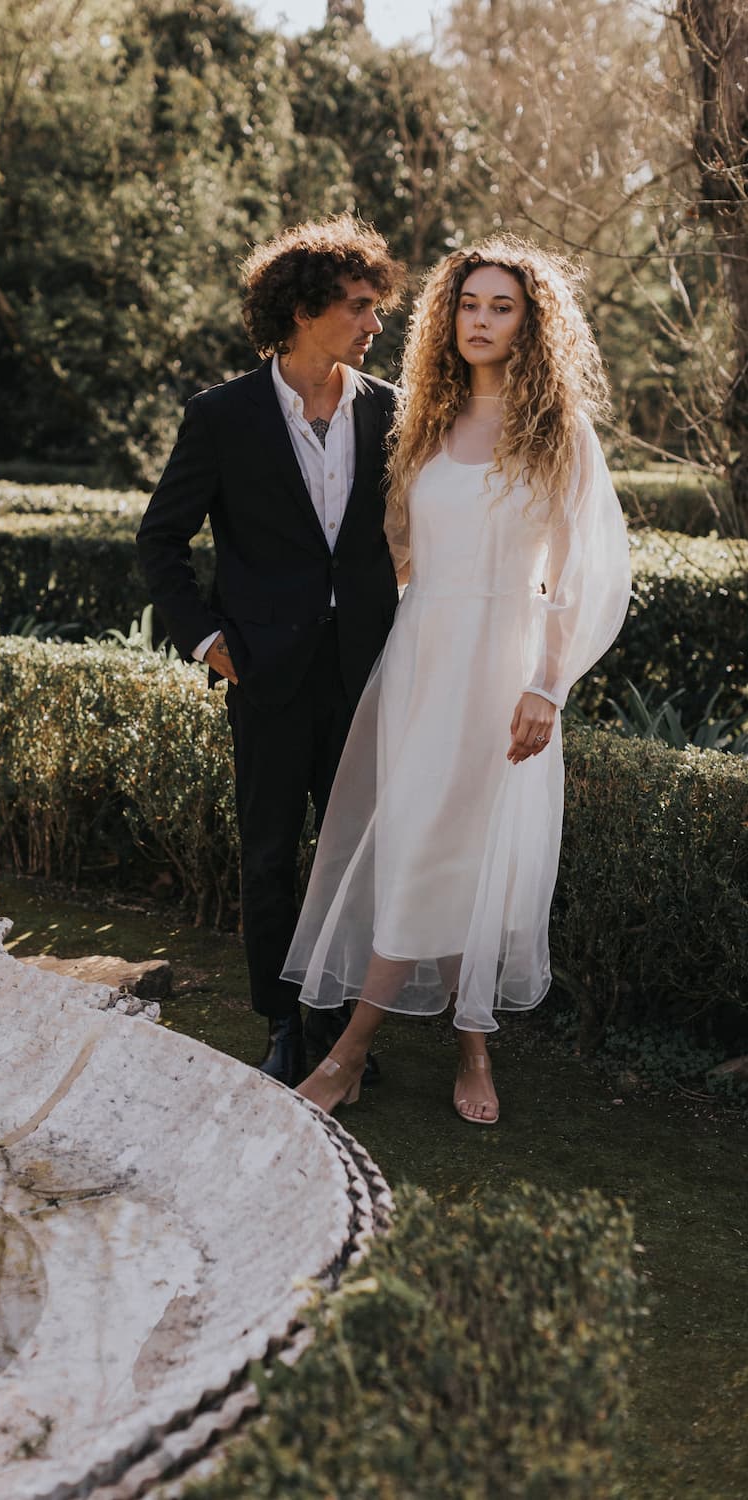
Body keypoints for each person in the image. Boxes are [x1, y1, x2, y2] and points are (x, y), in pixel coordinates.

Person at [282, 235, 632, 1124]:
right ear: (449, 317)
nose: (481, 320)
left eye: (501, 306)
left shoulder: (559, 432)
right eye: (469, 304)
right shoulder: (423, 424)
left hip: (503, 666)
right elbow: (396, 556)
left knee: (468, 850)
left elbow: (586, 573)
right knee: (414, 839)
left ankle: (371, 1050)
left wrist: (546, 687)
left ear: (531, 323)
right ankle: (439, 1047)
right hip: (421, 659)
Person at [136, 216, 407, 1085]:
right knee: (269, 852)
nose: (374, 325)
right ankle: (283, 1021)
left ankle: (339, 1022)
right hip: (264, 671)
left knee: (354, 853)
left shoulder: (393, 410)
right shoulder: (222, 416)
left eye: (376, 309)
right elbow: (161, 541)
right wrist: (208, 639)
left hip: (367, 674)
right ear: (300, 310)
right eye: (360, 307)